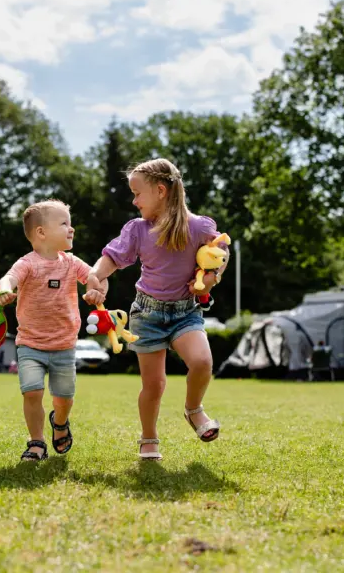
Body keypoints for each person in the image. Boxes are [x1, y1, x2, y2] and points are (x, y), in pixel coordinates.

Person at [88, 158, 229, 460]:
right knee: (154, 385)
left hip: (185, 312)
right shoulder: (138, 229)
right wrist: (94, 276)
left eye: (138, 193)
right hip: (147, 314)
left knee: (202, 361)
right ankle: (148, 437)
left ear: (161, 191)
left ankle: (194, 410)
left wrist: (210, 278)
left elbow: (220, 254)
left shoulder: (200, 227)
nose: (134, 201)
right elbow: (112, 257)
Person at [0, 199, 105, 461]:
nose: (72, 229)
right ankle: (36, 443)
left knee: (64, 398)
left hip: (64, 345)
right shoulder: (28, 263)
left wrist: (94, 288)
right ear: (41, 232)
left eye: (71, 223)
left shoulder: (71, 262)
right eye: (64, 223)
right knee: (32, 392)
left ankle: (60, 422)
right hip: (30, 344)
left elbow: (93, 275)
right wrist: (4, 290)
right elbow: (8, 278)